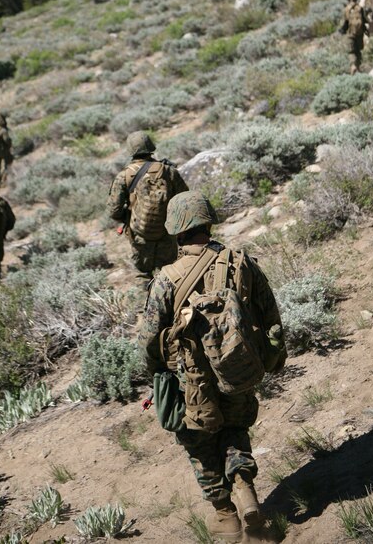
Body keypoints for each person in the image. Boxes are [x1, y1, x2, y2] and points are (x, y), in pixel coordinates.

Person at [139, 192, 286, 542]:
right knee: (235, 429)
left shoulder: (166, 278)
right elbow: (271, 316)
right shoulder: (240, 262)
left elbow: (148, 339)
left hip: (190, 381)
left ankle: (226, 516)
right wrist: (272, 357)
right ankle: (245, 488)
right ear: (208, 221)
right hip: (238, 369)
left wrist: (158, 373)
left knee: (199, 443)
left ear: (176, 230)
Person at [107, 131, 188, 277]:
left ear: (130, 150)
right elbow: (184, 198)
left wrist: (129, 217)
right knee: (170, 273)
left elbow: (114, 210)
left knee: (145, 274)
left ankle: (150, 292)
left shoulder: (123, 176)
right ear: (151, 147)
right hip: (167, 230)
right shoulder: (168, 171)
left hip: (140, 233)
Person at [339, 0, 366, 74]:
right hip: (359, 33)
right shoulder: (360, 8)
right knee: (358, 51)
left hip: (350, 34)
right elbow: (365, 20)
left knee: (351, 51)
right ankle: (358, 68)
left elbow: (343, 23)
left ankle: (353, 65)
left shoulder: (346, 9)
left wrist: (342, 31)